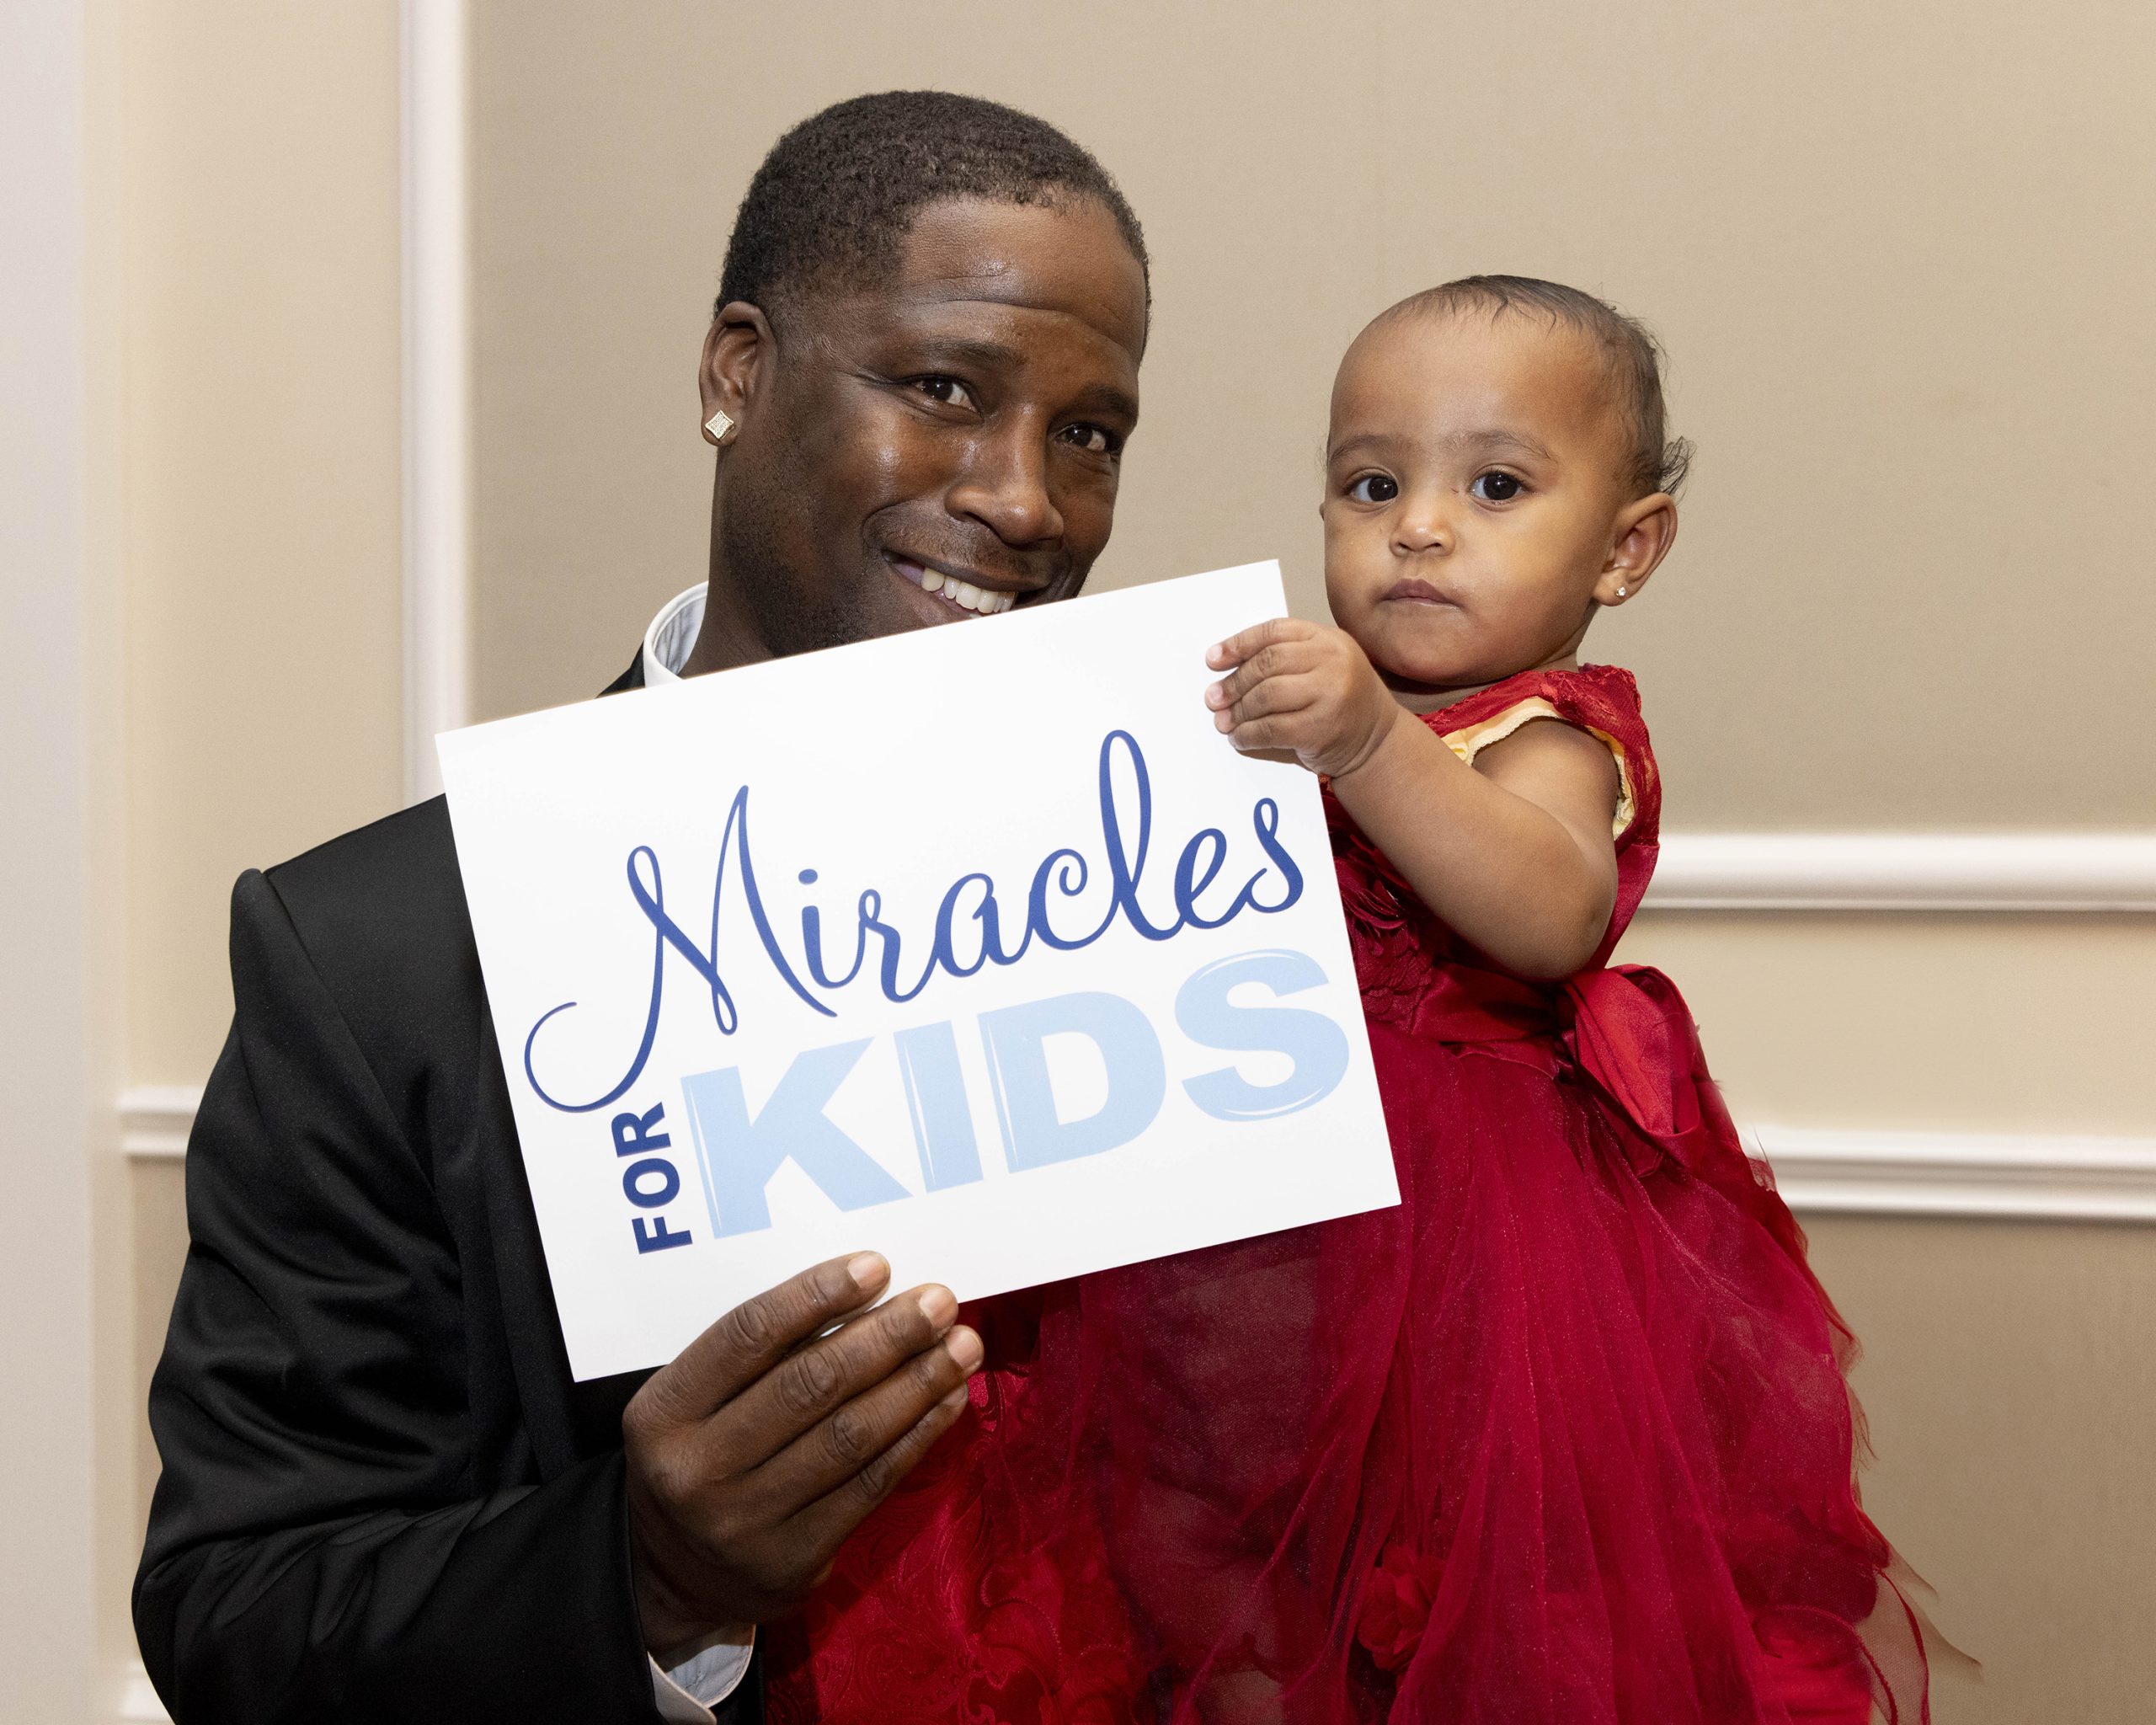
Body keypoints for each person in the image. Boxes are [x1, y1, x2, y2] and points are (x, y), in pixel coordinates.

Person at [772, 280, 1939, 1723]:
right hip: (1243, 1233)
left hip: (1465, 1255)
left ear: (1625, 549)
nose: (1419, 527)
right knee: (1181, 1534)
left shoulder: (1551, 734)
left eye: (1495, 487)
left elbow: (1550, 912)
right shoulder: (1299, 715)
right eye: (1372, 485)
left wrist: (1374, 743)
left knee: (1451, 1584)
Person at [133, 90, 1151, 1725]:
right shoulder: (382, 957)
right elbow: (237, 1612)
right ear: (736, 373)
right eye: (945, 390)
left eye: (1089, 433)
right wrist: (647, 1574)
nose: (1029, 501)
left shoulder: (1184, 901)